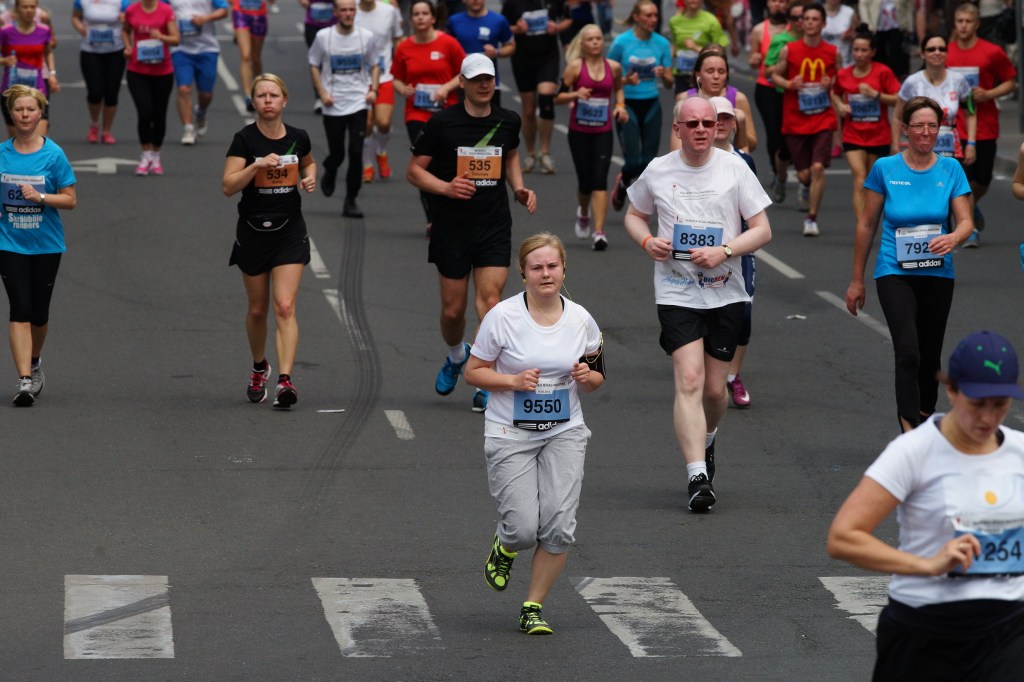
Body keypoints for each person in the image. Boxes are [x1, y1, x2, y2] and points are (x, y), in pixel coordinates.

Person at [827, 330, 1024, 681]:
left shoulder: (1019, 452)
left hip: (1008, 630)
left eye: (1001, 404)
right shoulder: (914, 452)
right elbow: (843, 537)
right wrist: (928, 564)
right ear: (951, 390)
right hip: (924, 632)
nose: (989, 417)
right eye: (978, 403)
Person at [624, 97, 772, 511]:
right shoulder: (658, 170)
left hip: (726, 289)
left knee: (713, 390)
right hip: (677, 290)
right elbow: (634, 215)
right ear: (678, 129)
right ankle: (697, 477)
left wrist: (725, 250)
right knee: (688, 379)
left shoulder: (734, 168)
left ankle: (707, 440)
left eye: (709, 122)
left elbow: (762, 230)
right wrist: (647, 240)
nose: (703, 129)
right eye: (693, 124)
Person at [464, 232, 605, 636]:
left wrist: (586, 375)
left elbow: (597, 378)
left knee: (559, 525)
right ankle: (506, 545)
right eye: (537, 267)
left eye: (552, 266)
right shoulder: (502, 317)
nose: (546, 274)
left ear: (563, 270)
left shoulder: (581, 319)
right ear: (523, 273)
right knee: (524, 528)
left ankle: (533, 606)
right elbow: (473, 372)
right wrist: (511, 381)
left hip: (565, 430)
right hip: (511, 432)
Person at [406, 53, 537, 413]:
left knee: (491, 304)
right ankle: (455, 355)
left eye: (489, 79)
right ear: (461, 82)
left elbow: (510, 156)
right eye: (476, 79)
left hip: (493, 223)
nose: (483, 85)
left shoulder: (508, 120)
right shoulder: (442, 124)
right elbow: (415, 171)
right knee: (453, 311)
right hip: (451, 227)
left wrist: (519, 188)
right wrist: (446, 188)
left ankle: (482, 378)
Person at [845, 96, 974, 433]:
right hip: (895, 271)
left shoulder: (951, 169)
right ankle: (909, 432)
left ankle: (926, 415)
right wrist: (857, 280)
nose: (925, 132)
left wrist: (954, 238)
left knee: (930, 358)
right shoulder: (885, 168)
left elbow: (965, 221)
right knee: (908, 351)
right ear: (905, 129)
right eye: (918, 125)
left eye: (932, 125)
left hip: (937, 272)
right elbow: (866, 225)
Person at [221, 74, 317, 408]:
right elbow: (228, 185)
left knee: (285, 306)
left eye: (273, 95)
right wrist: (256, 166)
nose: (267, 100)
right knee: (259, 309)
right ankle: (260, 366)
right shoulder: (244, 140)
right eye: (261, 95)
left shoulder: (298, 137)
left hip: (289, 231)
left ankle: (286, 381)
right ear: (254, 102)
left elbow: (309, 163)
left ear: (284, 100)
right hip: (252, 232)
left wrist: (309, 179)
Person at [0, 85, 76, 406]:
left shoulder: (53, 154)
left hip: (45, 244)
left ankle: (34, 360)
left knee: (39, 314)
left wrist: (41, 197)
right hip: (9, 243)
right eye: (19, 110)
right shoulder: (2, 153)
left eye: (31, 109)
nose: (25, 115)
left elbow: (70, 200)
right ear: (11, 115)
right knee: (19, 308)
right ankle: (24, 381)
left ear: (40, 112)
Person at [892, 34, 976, 243]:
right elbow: (897, 115)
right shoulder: (912, 82)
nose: (937, 53)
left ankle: (965, 228)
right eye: (931, 49)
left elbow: (970, 112)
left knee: (958, 189)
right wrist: (895, 144)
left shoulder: (958, 80)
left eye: (941, 48)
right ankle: (924, 236)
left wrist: (972, 143)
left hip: (951, 145)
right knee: (930, 192)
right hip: (920, 147)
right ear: (922, 53)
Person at [946, 2, 1016, 246]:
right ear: (955, 24)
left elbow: (1011, 81)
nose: (963, 26)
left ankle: (971, 207)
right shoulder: (946, 52)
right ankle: (969, 228)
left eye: (968, 21)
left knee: (983, 179)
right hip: (954, 127)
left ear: (976, 24)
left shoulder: (991, 52)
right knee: (961, 179)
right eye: (959, 21)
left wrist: (990, 93)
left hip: (985, 123)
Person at [392, 0, 465, 230]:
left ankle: (449, 210)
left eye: (425, 13)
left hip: (447, 113)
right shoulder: (404, 47)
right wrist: (403, 89)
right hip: (417, 114)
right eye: (416, 14)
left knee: (446, 164)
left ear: (433, 18)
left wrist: (445, 88)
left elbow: (464, 73)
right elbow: (395, 77)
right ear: (410, 19)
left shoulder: (448, 43)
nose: (421, 17)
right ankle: (432, 218)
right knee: (423, 166)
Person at [771, 2, 842, 237]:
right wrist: (790, 84)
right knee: (804, 174)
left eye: (815, 19)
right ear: (802, 23)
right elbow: (774, 76)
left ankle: (811, 218)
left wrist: (831, 84)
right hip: (795, 119)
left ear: (823, 23)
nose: (810, 23)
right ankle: (798, 183)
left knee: (818, 168)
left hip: (823, 118)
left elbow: (841, 83)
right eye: (807, 19)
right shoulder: (789, 50)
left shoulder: (833, 52)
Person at [555, 23, 625, 250]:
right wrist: (576, 93)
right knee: (585, 183)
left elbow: (619, 89)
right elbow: (558, 97)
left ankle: (599, 231)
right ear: (583, 45)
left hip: (603, 132)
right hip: (579, 132)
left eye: (598, 38)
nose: (596, 42)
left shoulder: (613, 67)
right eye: (591, 39)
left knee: (600, 180)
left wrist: (620, 105)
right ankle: (583, 212)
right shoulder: (575, 67)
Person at [308, 0, 380, 218]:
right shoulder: (324, 37)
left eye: (351, 10)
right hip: (333, 103)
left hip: (358, 101)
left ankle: (351, 200)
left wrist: (373, 90)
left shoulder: (366, 37)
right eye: (344, 10)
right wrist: (322, 93)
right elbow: (313, 63)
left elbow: (375, 64)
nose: (348, 14)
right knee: (337, 153)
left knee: (356, 152)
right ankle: (330, 169)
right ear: (336, 13)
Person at [709, 96, 757, 409]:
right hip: (700, 251)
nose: (722, 124)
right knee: (705, 312)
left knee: (743, 314)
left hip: (739, 252)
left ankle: (732, 375)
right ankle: (708, 370)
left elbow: (755, 213)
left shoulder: (745, 162)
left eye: (727, 119)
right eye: (716, 119)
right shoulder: (691, 160)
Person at [607, 0, 672, 211]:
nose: (653, 19)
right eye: (648, 15)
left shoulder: (662, 44)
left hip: (651, 103)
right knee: (634, 161)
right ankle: (625, 181)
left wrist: (663, 74)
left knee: (649, 162)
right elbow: (607, 76)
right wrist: (626, 80)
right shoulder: (621, 43)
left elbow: (670, 82)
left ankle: (637, 199)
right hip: (627, 105)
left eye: (655, 15)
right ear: (636, 17)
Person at [831, 28, 899, 224]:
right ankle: (863, 226)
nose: (859, 54)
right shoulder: (844, 74)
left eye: (864, 50)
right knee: (860, 180)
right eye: (856, 50)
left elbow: (898, 99)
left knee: (872, 184)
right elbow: (834, 93)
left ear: (872, 52)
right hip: (853, 135)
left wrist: (875, 94)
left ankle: (872, 219)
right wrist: (840, 105)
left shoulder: (883, 72)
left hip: (879, 136)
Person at [502, 0, 571, 173]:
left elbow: (568, 19)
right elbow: (503, 27)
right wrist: (516, 29)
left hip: (548, 57)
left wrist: (557, 28)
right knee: (529, 109)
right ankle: (531, 153)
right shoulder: (512, 3)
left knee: (546, 101)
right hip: (522, 58)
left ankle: (545, 151)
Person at [122, 0, 180, 176]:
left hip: (162, 71)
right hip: (137, 70)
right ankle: (146, 155)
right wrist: (128, 46)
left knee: (159, 114)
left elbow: (176, 39)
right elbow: (125, 30)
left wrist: (162, 37)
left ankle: (156, 155)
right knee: (145, 112)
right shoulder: (132, 9)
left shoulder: (165, 10)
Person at [748, 0, 793, 202]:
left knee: (790, 132)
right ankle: (777, 170)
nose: (778, 5)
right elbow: (752, 58)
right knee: (774, 131)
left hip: (790, 87)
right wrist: (754, 60)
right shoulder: (759, 30)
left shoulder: (796, 29)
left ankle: (785, 162)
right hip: (766, 88)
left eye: (783, 1)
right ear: (768, 4)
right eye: (774, 1)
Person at [672, 45, 756, 152]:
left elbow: (751, 146)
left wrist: (739, 126)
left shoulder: (739, 98)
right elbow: (676, 146)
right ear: (698, 74)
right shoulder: (685, 99)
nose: (716, 76)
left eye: (721, 71)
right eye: (710, 71)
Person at [355, 0, 403, 183]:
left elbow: (398, 37)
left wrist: (401, 64)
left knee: (383, 123)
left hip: (384, 76)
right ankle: (367, 164)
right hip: (358, 79)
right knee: (366, 124)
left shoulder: (389, 11)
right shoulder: (351, 10)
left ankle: (381, 151)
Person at [169, 0, 229, 146]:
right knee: (183, 89)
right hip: (180, 50)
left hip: (207, 49)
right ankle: (188, 129)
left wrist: (205, 18)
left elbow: (224, 10)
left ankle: (201, 112)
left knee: (206, 94)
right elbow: (159, 9)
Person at [72, 0, 129, 144]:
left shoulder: (122, 2)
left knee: (111, 93)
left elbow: (129, 22)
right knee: (95, 92)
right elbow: (75, 17)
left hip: (115, 50)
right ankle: (94, 123)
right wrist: (80, 27)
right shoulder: (82, 1)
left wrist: (125, 20)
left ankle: (107, 130)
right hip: (90, 51)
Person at [0, 0, 57, 138]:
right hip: (12, 89)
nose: (29, 10)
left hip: (37, 88)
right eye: (25, 7)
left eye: (32, 7)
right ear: (17, 9)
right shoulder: (5, 31)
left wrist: (52, 73)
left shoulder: (43, 31)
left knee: (39, 140)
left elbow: (48, 52)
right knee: (18, 142)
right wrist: (4, 60)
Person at [447, 0, 515, 110]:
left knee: (490, 124)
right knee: (463, 124)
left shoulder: (499, 20)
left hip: (489, 83)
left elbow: (511, 46)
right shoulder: (454, 21)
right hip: (462, 83)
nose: (475, 1)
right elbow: (445, 47)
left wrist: (497, 52)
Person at [668, 0, 728, 96]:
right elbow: (675, 44)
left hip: (705, 76)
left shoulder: (711, 20)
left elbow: (721, 49)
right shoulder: (674, 21)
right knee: (681, 105)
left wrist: (695, 47)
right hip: (682, 73)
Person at [858, 0, 912, 80]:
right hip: (876, 27)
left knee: (896, 55)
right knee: (878, 55)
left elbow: (908, 7)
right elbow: (863, 5)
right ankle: (878, 78)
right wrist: (867, 24)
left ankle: (896, 80)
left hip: (897, 26)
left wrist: (909, 27)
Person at [299, 0, 337, 113]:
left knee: (332, 60)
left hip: (332, 25)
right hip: (313, 25)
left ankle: (334, 92)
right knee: (316, 62)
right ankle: (319, 96)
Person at [230, 0, 268, 112]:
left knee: (255, 58)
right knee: (246, 56)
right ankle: (248, 95)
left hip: (259, 14)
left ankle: (257, 90)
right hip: (240, 14)